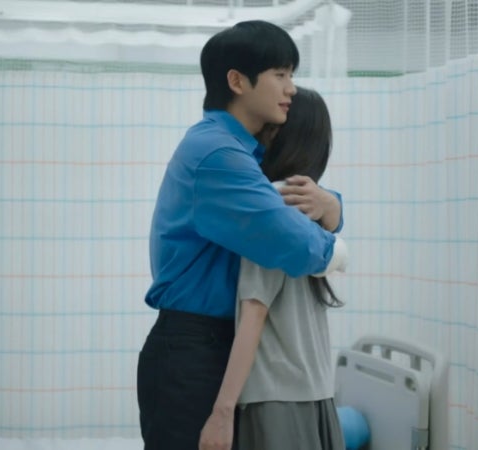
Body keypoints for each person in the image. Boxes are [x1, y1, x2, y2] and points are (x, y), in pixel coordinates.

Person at [137, 21, 345, 450]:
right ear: (237, 81)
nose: (290, 88)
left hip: (208, 344)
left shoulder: (239, 152)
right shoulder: (219, 155)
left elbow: (286, 200)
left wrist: (332, 206)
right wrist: (340, 249)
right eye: (280, 74)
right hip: (193, 349)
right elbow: (293, 241)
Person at [199, 87, 347, 450]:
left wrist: (222, 411)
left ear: (280, 133)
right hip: (315, 389)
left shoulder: (272, 204)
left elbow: (255, 311)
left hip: (277, 397)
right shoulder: (312, 201)